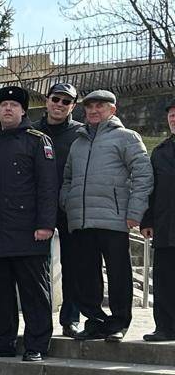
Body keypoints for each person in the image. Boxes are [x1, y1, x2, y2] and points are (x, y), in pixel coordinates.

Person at [60, 89, 153, 342]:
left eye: (99, 106)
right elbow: (67, 178)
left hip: (114, 219)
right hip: (81, 220)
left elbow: (143, 175)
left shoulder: (127, 137)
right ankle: (95, 322)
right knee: (86, 275)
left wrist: (135, 212)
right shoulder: (78, 143)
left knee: (118, 274)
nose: (93, 111)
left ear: (113, 110)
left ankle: (119, 323)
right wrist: (67, 202)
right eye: (89, 106)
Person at [0, 86, 58, 362]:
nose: (8, 109)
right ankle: (2, 341)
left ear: (23, 111)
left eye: (13, 105)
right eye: (3, 105)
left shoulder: (38, 141)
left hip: (29, 232)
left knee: (34, 293)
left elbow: (48, 186)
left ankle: (37, 344)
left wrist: (45, 224)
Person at [35, 81, 86, 336]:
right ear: (47, 100)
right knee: (37, 267)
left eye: (66, 101)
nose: (60, 104)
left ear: (73, 106)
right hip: (37, 208)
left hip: (70, 208)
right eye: (56, 99)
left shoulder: (81, 133)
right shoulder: (32, 131)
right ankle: (40, 322)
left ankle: (70, 319)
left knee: (73, 265)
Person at [142, 99, 175, 341]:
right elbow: (150, 189)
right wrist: (147, 220)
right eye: (171, 115)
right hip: (165, 226)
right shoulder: (160, 152)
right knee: (164, 281)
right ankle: (164, 327)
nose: (173, 118)